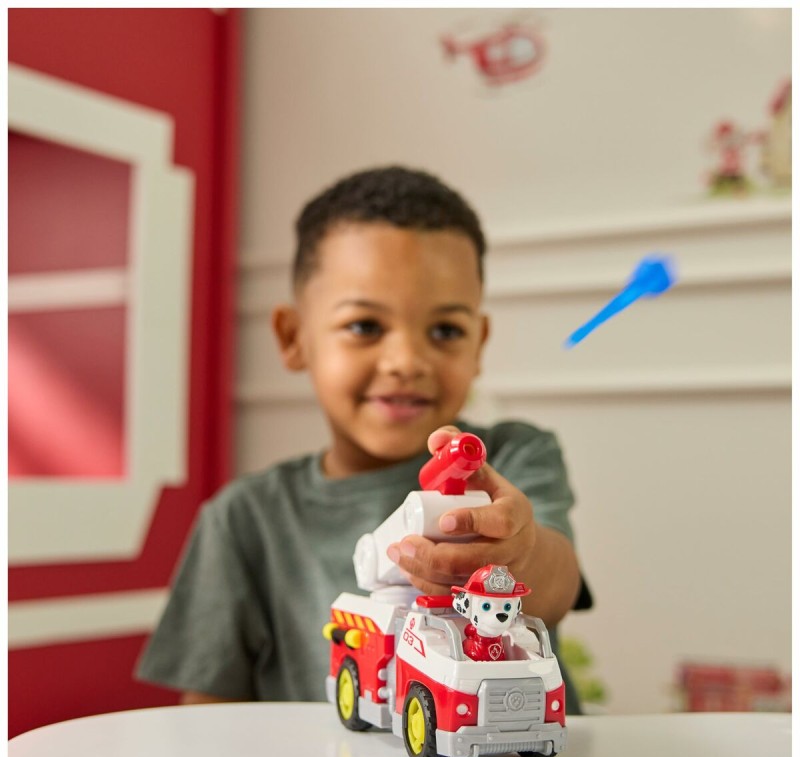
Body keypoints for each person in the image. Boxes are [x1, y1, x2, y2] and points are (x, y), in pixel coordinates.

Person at [135, 165, 592, 712]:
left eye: (445, 331)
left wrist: (519, 552)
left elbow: (556, 586)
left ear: (479, 344)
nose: (406, 361)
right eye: (364, 327)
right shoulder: (244, 520)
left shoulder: (513, 458)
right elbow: (206, 722)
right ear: (293, 337)